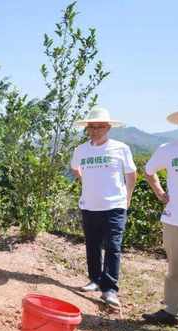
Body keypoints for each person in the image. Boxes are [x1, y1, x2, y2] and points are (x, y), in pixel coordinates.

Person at [70, 106, 137, 308]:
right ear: (87, 128)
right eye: (92, 127)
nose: (95, 130)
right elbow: (74, 168)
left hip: (115, 205)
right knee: (92, 245)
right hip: (89, 205)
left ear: (108, 128)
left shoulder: (120, 148)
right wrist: (86, 182)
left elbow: (131, 174)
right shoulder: (81, 150)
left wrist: (128, 197)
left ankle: (110, 289)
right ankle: (95, 279)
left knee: (113, 247)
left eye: (100, 126)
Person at [142, 108, 178, 326]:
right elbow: (149, 171)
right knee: (176, 270)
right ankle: (172, 312)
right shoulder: (169, 149)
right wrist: (160, 193)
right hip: (175, 219)